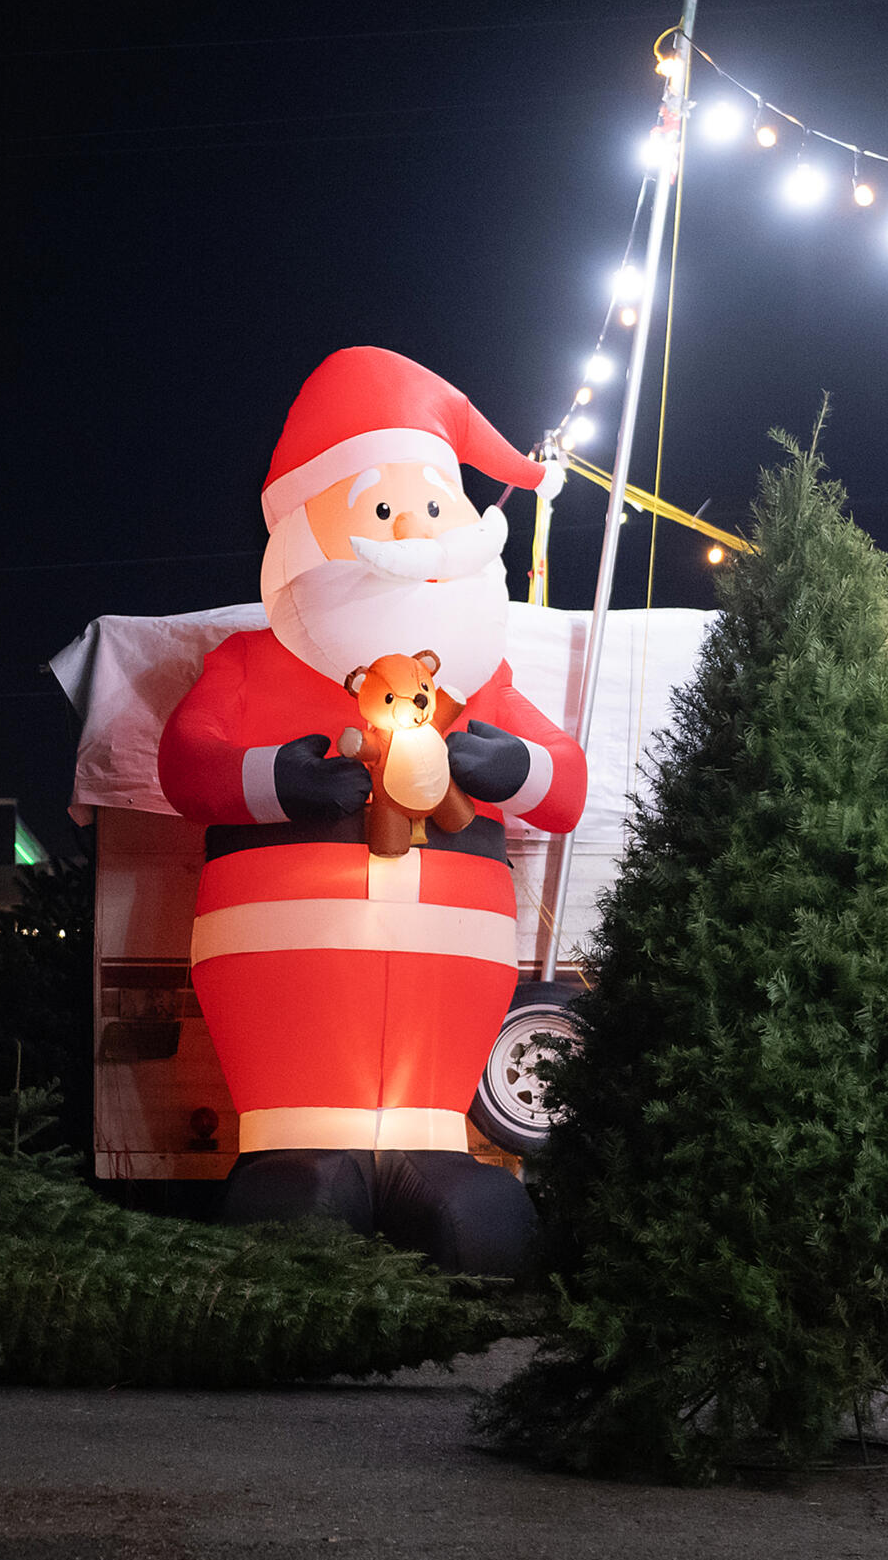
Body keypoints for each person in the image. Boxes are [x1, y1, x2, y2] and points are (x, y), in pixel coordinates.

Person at [156, 347, 587, 1276]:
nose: (415, 534)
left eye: (435, 508)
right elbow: (185, 765)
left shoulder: (483, 681)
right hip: (288, 1038)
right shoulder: (249, 662)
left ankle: (435, 1150)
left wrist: (508, 763)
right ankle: (300, 1147)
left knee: (482, 1231)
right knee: (297, 1202)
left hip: (443, 1043)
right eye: (382, 509)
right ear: (307, 533)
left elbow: (567, 787)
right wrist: (282, 778)